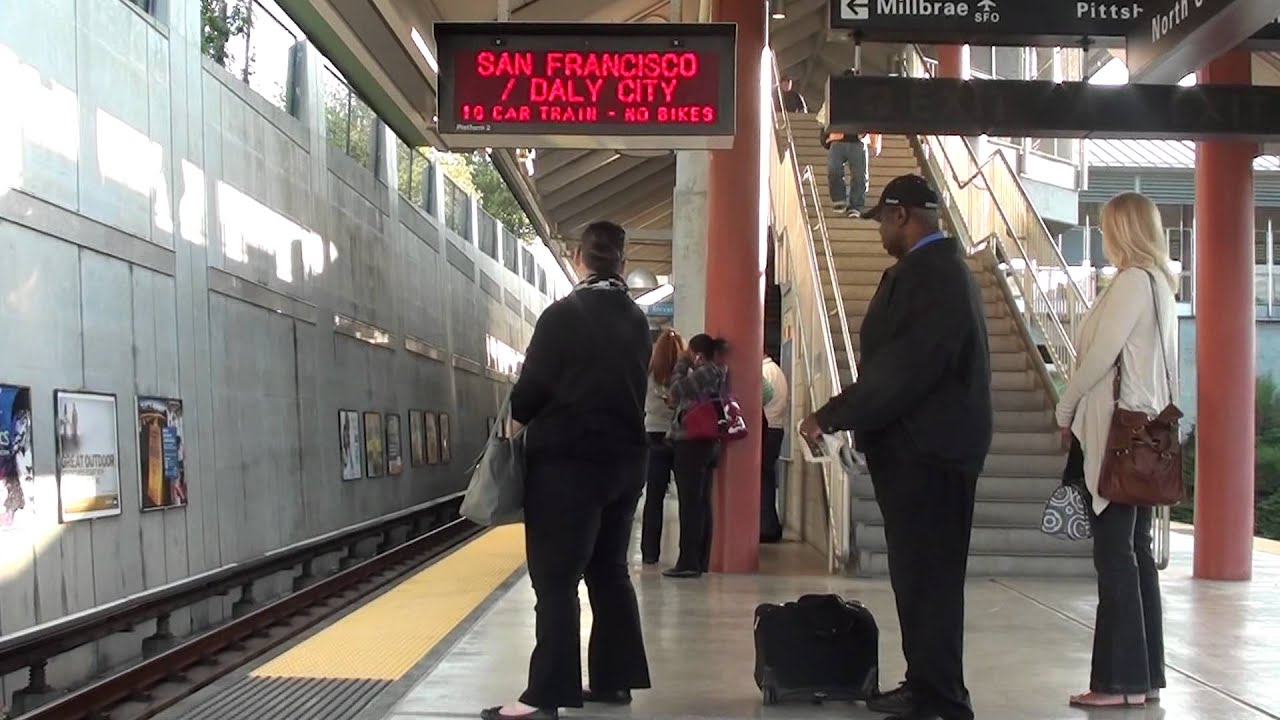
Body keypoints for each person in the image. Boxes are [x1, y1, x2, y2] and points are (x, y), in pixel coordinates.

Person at [799, 174, 992, 720]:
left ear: (903, 215)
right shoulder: (932, 274)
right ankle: (927, 684)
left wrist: (831, 415)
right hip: (922, 450)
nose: (881, 231)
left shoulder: (934, 276)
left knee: (928, 577)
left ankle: (942, 696)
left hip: (930, 454)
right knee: (920, 576)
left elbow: (905, 370)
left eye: (883, 219)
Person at [483, 221, 652, 720]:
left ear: (579, 257)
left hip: (569, 466)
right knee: (609, 571)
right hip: (625, 464)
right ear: (622, 261)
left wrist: (508, 434)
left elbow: (530, 392)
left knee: (555, 580)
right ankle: (613, 680)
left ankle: (546, 697)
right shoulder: (637, 320)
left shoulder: (563, 315)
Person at [1054, 192, 1174, 709]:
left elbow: (1101, 357)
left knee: (1115, 557)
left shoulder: (1130, 283)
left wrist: (1066, 409)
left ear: (1123, 231)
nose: (1102, 236)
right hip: (1148, 433)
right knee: (1137, 553)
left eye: (1106, 228)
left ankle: (1116, 682)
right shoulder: (1162, 285)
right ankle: (1143, 679)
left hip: (1117, 437)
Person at [662, 333, 728, 579]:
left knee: (690, 505)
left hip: (692, 444)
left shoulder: (708, 371)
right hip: (706, 443)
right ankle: (700, 559)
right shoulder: (714, 372)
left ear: (697, 354)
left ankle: (688, 561)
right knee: (700, 503)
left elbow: (677, 388)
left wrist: (682, 363)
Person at [640, 327, 684, 565]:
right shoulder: (685, 374)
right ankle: (687, 553)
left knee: (654, 498)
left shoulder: (648, 372)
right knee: (687, 499)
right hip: (680, 437)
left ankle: (649, 553)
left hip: (653, 435)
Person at [816, 84, 881, 217]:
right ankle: (839, 200)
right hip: (841, 141)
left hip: (856, 141)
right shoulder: (832, 100)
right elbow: (823, 121)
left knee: (859, 175)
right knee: (835, 172)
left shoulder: (865, 101)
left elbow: (873, 122)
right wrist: (826, 138)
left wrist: (875, 143)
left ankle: (855, 206)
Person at [760, 348, 789, 543]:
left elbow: (760, 398)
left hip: (766, 428)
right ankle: (770, 524)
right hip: (777, 428)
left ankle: (765, 526)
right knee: (767, 479)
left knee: (762, 480)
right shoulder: (777, 371)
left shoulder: (763, 372)